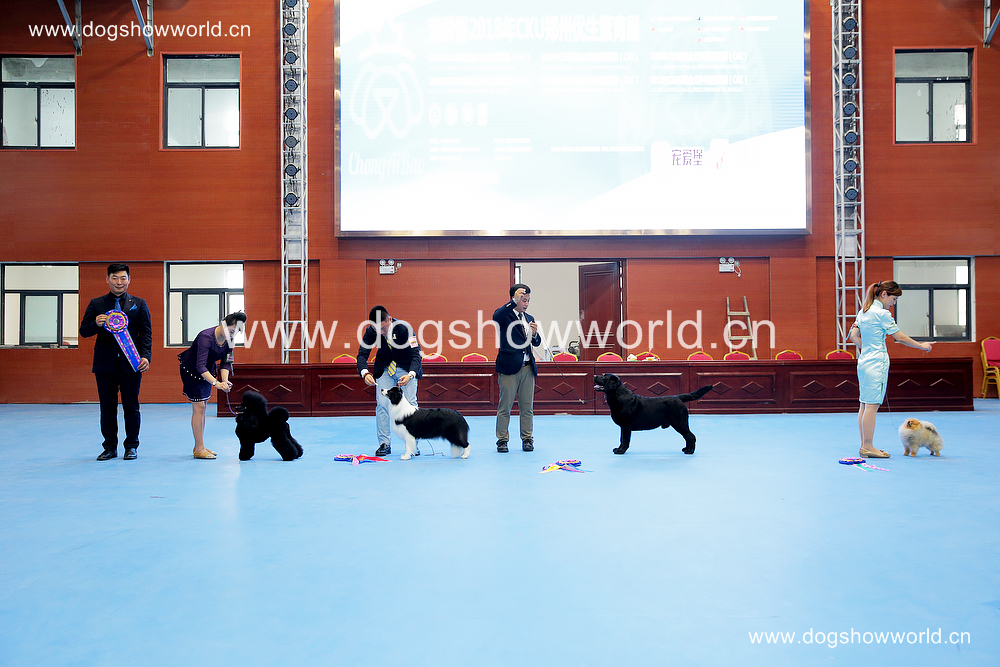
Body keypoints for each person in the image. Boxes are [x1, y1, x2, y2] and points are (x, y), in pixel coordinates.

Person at [848, 280, 933, 458]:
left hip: (863, 362)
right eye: (893, 299)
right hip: (876, 364)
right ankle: (868, 447)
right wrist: (922, 346)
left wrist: (867, 347)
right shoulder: (882, 314)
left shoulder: (863, 312)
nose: (893, 303)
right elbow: (900, 337)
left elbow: (853, 336)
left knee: (864, 405)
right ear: (884, 294)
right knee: (872, 406)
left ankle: (864, 445)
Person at [80, 263, 152, 461]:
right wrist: (96, 323)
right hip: (105, 365)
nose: (119, 282)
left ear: (129, 280)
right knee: (107, 408)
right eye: (114, 278)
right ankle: (109, 447)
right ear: (107, 280)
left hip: (132, 364)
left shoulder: (139, 303)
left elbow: (146, 333)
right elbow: (84, 331)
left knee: (132, 407)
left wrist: (145, 356)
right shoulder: (97, 303)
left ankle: (132, 446)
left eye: (123, 278)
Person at [178, 312, 247, 459]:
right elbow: (200, 365)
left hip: (207, 371)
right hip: (192, 371)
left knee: (203, 407)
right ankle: (199, 449)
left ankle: (199, 446)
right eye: (231, 331)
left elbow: (227, 362)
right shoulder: (206, 337)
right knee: (199, 407)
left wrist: (225, 380)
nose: (232, 335)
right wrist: (216, 383)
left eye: (236, 333)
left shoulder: (230, 340)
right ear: (223, 323)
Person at [357, 305, 423, 456]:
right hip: (385, 368)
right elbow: (362, 355)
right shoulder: (371, 331)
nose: (382, 332)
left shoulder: (405, 328)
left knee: (411, 404)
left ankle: (412, 444)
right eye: (378, 329)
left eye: (384, 328)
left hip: (406, 367)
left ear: (390, 319)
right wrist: (365, 373)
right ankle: (384, 444)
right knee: (382, 404)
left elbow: (415, 354)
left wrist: (411, 375)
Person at [493, 284, 541, 452]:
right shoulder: (505, 315)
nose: (526, 304)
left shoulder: (529, 317)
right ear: (514, 298)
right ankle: (502, 440)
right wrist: (513, 301)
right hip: (509, 368)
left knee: (527, 408)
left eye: (528, 300)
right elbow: (496, 316)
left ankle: (527, 439)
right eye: (523, 300)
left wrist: (534, 334)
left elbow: (536, 342)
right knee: (505, 407)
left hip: (527, 367)